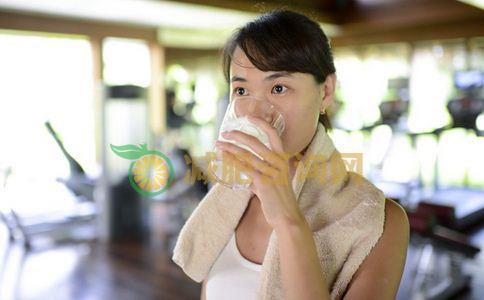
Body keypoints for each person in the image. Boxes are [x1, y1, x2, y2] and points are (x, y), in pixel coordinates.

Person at [200, 9, 409, 299]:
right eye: (242, 91)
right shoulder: (228, 194)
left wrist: (287, 220)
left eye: (278, 87)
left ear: (325, 92)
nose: (257, 112)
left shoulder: (381, 222)